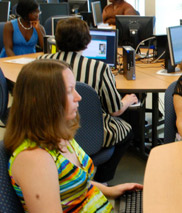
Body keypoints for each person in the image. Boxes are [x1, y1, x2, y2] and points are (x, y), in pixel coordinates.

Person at [4, 60, 143, 212]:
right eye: (69, 91)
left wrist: (111, 190)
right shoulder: (35, 160)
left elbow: (75, 180)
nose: (79, 97)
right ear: (43, 101)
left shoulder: (59, 134)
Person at [38, 18, 138, 182]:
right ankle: (102, 178)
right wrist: (127, 100)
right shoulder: (99, 68)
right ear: (87, 41)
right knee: (126, 130)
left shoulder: (41, 63)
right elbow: (115, 110)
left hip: (49, 129)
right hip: (91, 132)